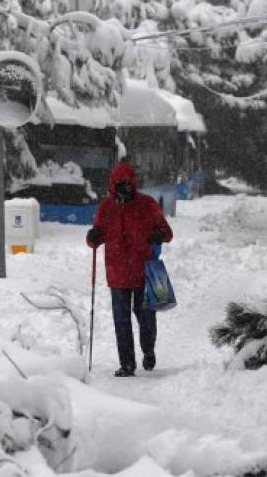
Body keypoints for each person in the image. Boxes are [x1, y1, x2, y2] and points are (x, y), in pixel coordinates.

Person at [86, 161, 173, 377]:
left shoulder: (146, 204)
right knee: (121, 320)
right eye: (120, 183)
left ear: (133, 183)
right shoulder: (106, 208)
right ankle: (127, 364)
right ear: (113, 184)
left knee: (146, 318)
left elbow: (167, 231)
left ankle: (148, 349)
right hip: (117, 274)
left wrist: (158, 234)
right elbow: (96, 236)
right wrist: (93, 237)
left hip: (144, 271)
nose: (125, 187)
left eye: (128, 183)